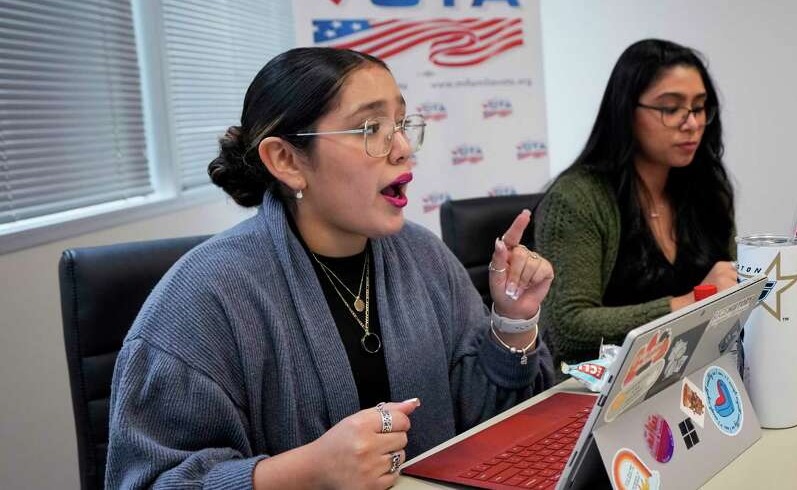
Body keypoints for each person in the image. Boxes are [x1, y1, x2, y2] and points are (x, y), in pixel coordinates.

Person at [105, 47, 555, 490]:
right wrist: (308, 471)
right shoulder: (201, 298)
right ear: (286, 161)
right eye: (371, 128)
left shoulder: (424, 257)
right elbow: (150, 481)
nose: (401, 149)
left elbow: (489, 430)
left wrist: (512, 323)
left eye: (400, 125)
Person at [535, 39, 737, 366]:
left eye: (699, 107)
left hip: (694, 375)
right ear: (627, 112)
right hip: (596, 392)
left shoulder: (708, 189)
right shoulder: (576, 199)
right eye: (671, 109)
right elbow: (567, 327)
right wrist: (688, 303)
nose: (692, 124)